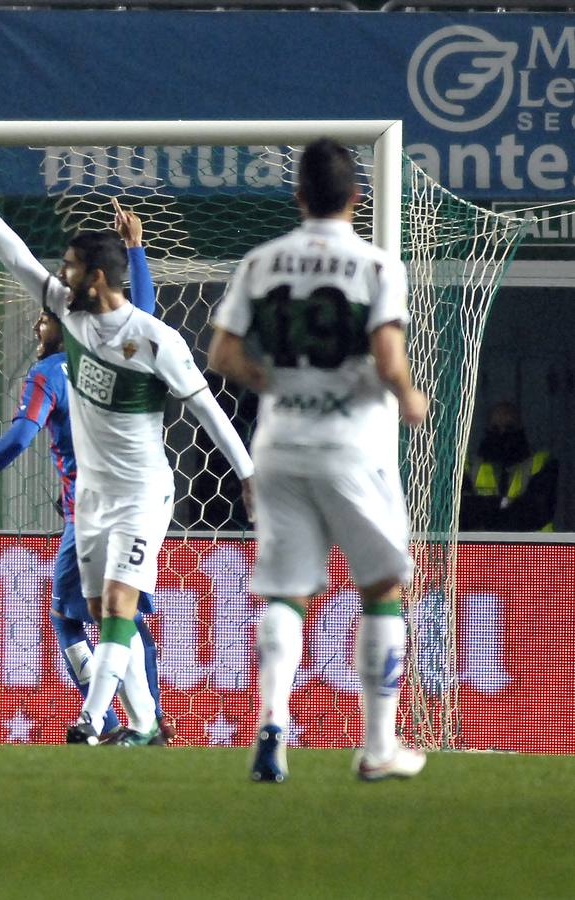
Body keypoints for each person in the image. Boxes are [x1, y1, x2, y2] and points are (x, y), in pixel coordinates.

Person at [0, 143, 254, 747]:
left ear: (95, 277)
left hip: (144, 494)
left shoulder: (155, 339)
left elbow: (205, 408)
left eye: (69, 267)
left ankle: (92, 721)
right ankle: (146, 725)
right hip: (90, 500)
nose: (60, 275)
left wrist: (248, 475)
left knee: (121, 603)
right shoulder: (72, 318)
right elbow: (17, 260)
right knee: (101, 613)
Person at [209, 139, 430, 782]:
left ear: (299, 195)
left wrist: (277, 383)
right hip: (353, 448)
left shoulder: (261, 261)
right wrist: (410, 396)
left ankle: (271, 726)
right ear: (357, 198)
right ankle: (379, 746)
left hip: (279, 448)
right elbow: (388, 361)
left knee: (288, 592)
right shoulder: (376, 266)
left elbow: (222, 355)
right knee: (383, 588)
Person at [0, 199, 167, 741]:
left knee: (78, 617)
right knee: (121, 615)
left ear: (61, 326)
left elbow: (22, 434)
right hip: (139, 497)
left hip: (85, 512)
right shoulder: (121, 351)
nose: (39, 322)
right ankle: (142, 721)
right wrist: (135, 250)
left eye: (44, 317)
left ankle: (107, 720)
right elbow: (148, 309)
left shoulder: (47, 372)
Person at [460, 401, 558, 532]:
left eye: (509, 428)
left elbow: (535, 513)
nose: (502, 434)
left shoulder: (541, 462)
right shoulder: (468, 465)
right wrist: (503, 504)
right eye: (495, 429)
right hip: (480, 549)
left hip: (534, 549)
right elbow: (462, 512)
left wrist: (487, 509)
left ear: (520, 428)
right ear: (487, 430)